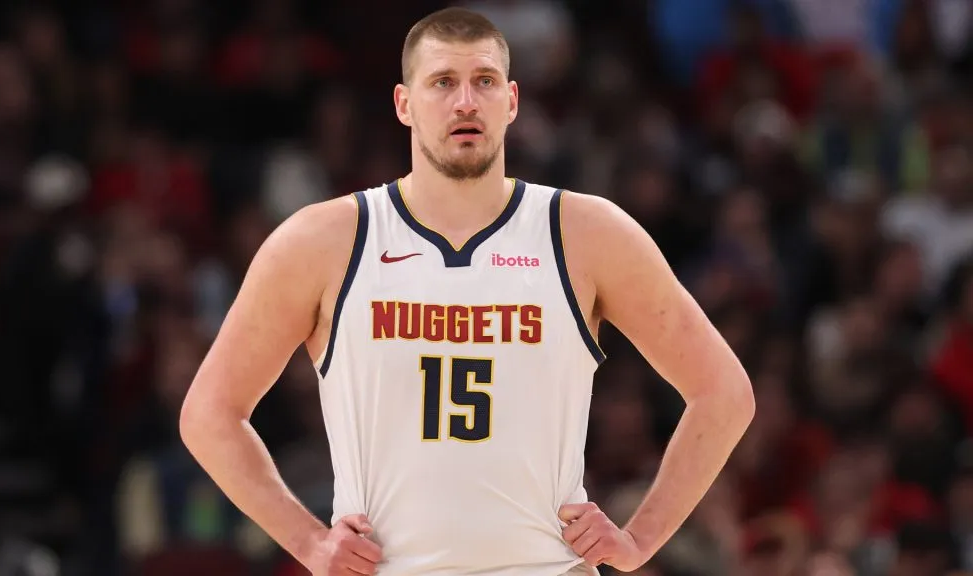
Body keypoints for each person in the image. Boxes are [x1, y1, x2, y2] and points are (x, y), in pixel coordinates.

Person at [179, 7, 755, 576]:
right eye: (443, 83)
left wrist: (640, 539)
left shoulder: (586, 233)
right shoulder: (323, 240)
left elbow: (724, 392)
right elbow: (210, 414)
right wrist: (307, 541)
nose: (465, 102)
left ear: (512, 101)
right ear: (404, 103)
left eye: (484, 81)